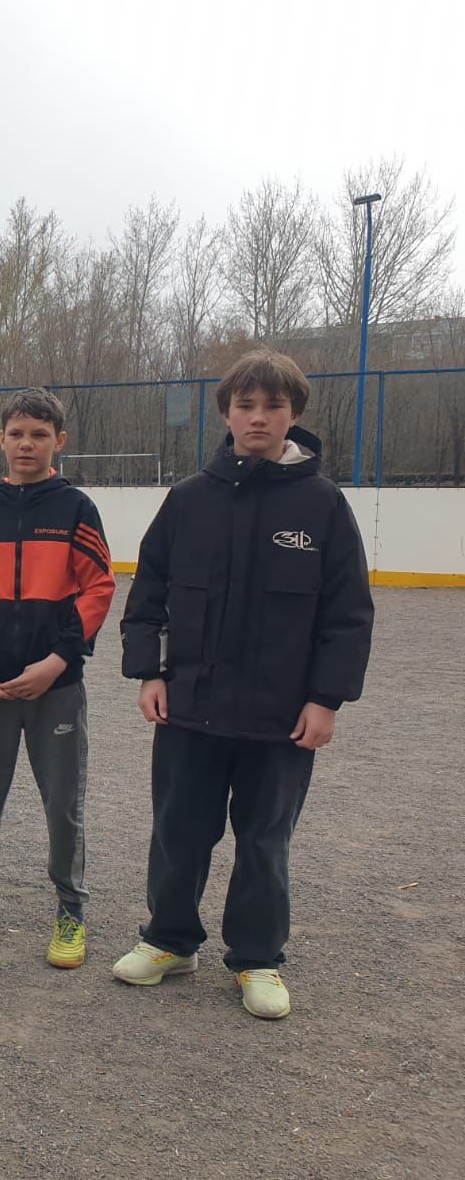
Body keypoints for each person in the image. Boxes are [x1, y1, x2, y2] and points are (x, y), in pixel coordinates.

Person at [114, 349, 374, 1020]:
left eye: (273, 406)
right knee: (179, 832)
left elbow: (348, 615)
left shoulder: (322, 505)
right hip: (190, 709)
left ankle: (258, 959)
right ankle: (169, 941)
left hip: (280, 719)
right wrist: (148, 673)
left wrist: (326, 700)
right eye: (246, 405)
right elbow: (147, 595)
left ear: (294, 415)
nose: (258, 417)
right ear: (226, 413)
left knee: (264, 842)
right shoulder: (188, 500)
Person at [0, 387, 116, 968]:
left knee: (63, 802)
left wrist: (58, 660)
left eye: (39, 434)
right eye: (17, 434)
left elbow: (98, 587)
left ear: (59, 441)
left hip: (54, 685)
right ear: (2, 440)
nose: (26, 444)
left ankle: (70, 911)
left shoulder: (75, 509)